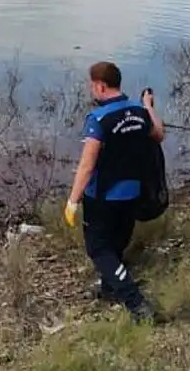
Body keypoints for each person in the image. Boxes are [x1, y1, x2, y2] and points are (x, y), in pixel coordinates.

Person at [64, 61, 166, 324]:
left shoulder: (98, 119)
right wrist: (148, 106)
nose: (91, 90)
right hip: (133, 194)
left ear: (100, 86)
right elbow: (158, 134)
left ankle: (137, 304)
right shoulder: (137, 111)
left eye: (92, 86)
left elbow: (87, 166)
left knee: (99, 250)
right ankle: (110, 288)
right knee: (117, 244)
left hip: (103, 198)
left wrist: (73, 201)